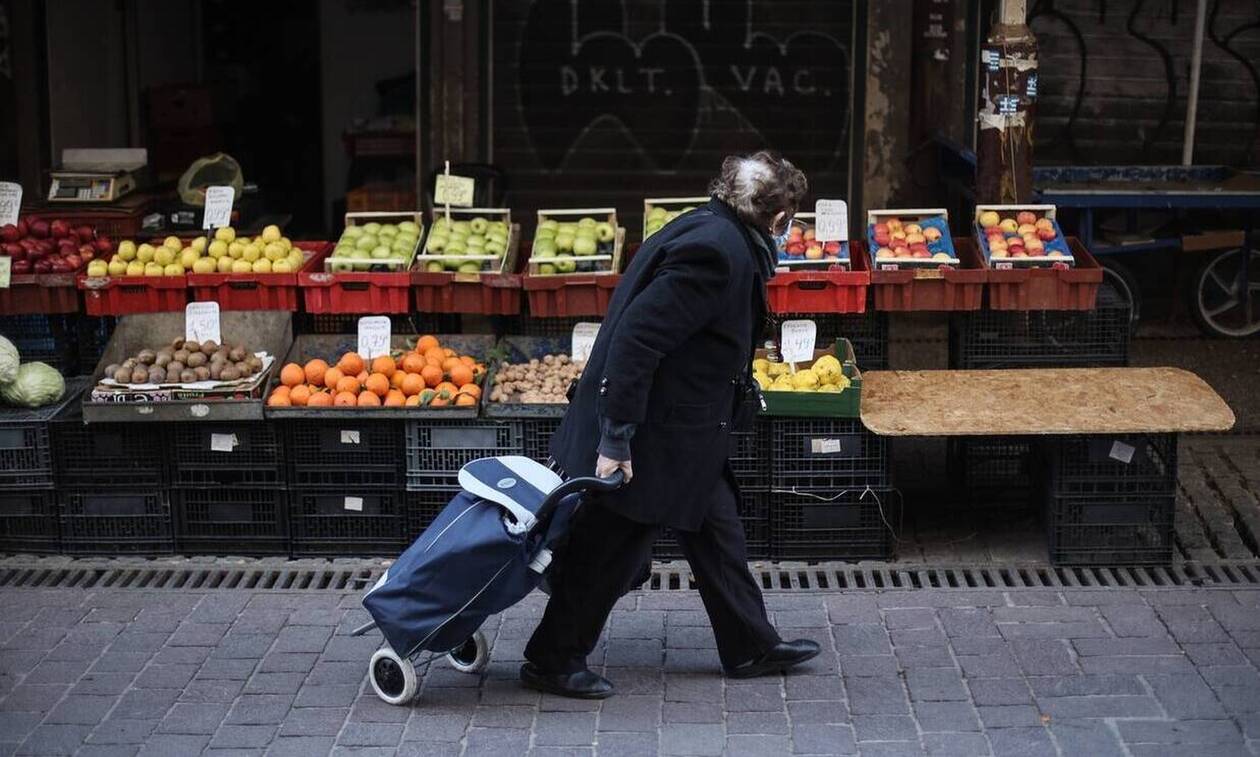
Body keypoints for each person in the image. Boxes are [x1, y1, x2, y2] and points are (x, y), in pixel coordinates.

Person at [521, 151, 821, 699]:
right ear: (777, 217)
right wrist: (616, 439)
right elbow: (637, 340)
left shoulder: (706, 225)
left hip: (690, 433)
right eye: (790, 215)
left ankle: (749, 643)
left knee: (718, 530)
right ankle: (551, 658)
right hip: (651, 435)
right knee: (612, 544)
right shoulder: (716, 253)